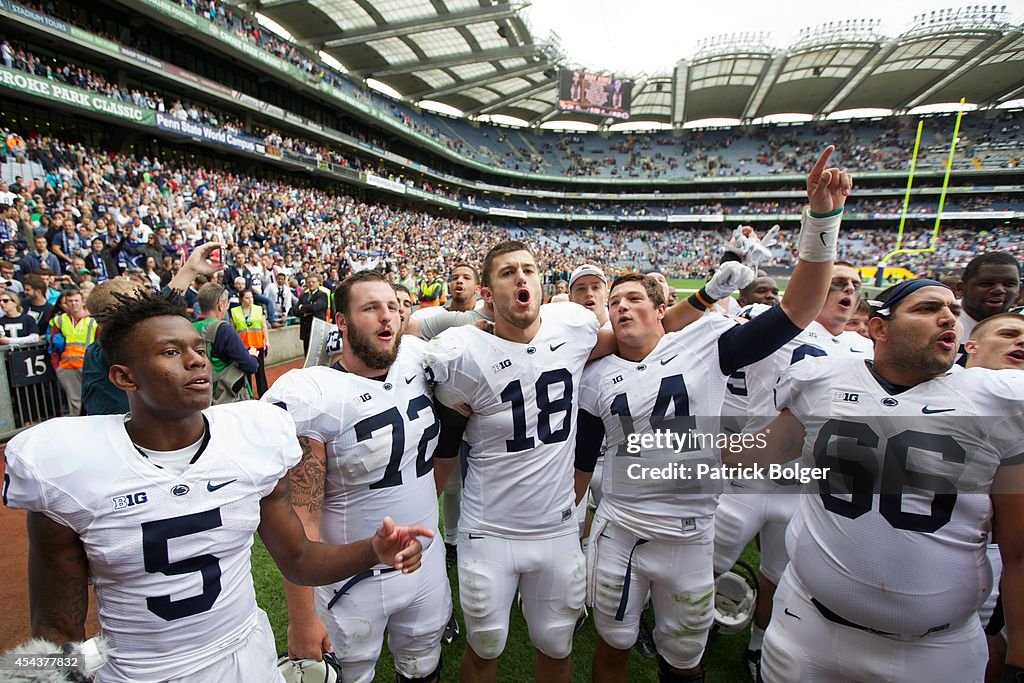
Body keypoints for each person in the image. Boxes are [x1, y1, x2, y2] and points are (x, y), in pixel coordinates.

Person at [3, 290, 432, 682]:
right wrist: (42, 672)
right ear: (124, 377)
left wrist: (372, 551)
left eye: (198, 349)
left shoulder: (251, 438)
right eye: (171, 352)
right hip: (140, 672)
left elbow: (299, 558)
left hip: (248, 657)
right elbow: (55, 633)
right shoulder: (68, 468)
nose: (196, 362)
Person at [575, 146, 851, 683]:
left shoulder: (706, 344)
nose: (623, 307)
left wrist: (822, 220)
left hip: (691, 535)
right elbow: (584, 459)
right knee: (611, 650)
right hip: (620, 533)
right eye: (615, 303)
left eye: (634, 299)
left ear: (662, 310)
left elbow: (797, 309)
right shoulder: (594, 373)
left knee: (685, 663)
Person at [425, 235, 754, 682]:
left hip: (558, 527)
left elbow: (645, 332)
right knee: (485, 646)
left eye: (528, 270)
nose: (521, 278)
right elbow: (444, 445)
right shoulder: (463, 352)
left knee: (558, 643)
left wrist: (706, 296)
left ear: (541, 283)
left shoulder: (574, 329)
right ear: (487, 293)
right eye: (507, 273)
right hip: (489, 529)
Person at [730, 279, 1024, 683]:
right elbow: (761, 452)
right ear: (878, 328)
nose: (947, 317)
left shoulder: (998, 400)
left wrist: (1019, 657)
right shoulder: (821, 380)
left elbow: (1019, 552)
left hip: (935, 649)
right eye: (926, 308)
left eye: (953, 311)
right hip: (807, 625)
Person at [265, 271, 451, 683]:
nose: (387, 317)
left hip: (425, 563)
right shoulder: (315, 394)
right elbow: (300, 523)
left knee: (423, 665)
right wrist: (301, 617)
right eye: (370, 308)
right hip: (350, 581)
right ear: (342, 322)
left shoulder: (418, 360)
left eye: (392, 307)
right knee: (350, 674)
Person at [714, 261, 872, 680]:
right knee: (705, 564)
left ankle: (757, 644)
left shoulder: (865, 347)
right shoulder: (771, 325)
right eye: (836, 281)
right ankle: (688, 624)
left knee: (779, 578)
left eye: (854, 284)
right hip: (745, 478)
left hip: (804, 489)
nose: (846, 290)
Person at [963, 311, 1024, 683]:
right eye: (1008, 333)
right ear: (971, 345)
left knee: (989, 644)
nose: (1021, 341)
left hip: (996, 557)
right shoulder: (926, 391)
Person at [194, 283, 259, 400]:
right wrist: (252, 357)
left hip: (198, 396)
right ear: (221, 305)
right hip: (224, 398)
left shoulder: (189, 328)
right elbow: (250, 366)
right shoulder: (224, 329)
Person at [955, 252, 1021, 365]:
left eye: (1009, 284)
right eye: (986, 284)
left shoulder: (1021, 324)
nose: (999, 290)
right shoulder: (939, 320)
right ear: (961, 288)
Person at [48, 288, 96, 416]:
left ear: (82, 302)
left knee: (92, 399)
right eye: (70, 301)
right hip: (67, 366)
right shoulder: (59, 320)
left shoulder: (92, 320)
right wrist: (57, 367)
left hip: (88, 365)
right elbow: (53, 345)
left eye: (76, 300)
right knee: (75, 404)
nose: (73, 303)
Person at [231, 288, 269, 397]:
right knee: (245, 371)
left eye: (251, 297)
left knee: (260, 371)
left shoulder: (259, 309)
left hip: (257, 344)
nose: (250, 300)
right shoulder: (234, 311)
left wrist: (267, 341)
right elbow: (233, 329)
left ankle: (263, 393)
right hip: (243, 345)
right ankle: (248, 394)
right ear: (241, 299)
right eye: (247, 298)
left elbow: (264, 326)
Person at [297, 274, 329, 355]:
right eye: (309, 282)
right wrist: (306, 309)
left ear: (318, 283)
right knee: (307, 354)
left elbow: (316, 307)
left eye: (313, 282)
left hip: (317, 329)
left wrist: (303, 307)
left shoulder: (322, 295)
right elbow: (295, 310)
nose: (311, 284)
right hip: (306, 330)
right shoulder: (303, 296)